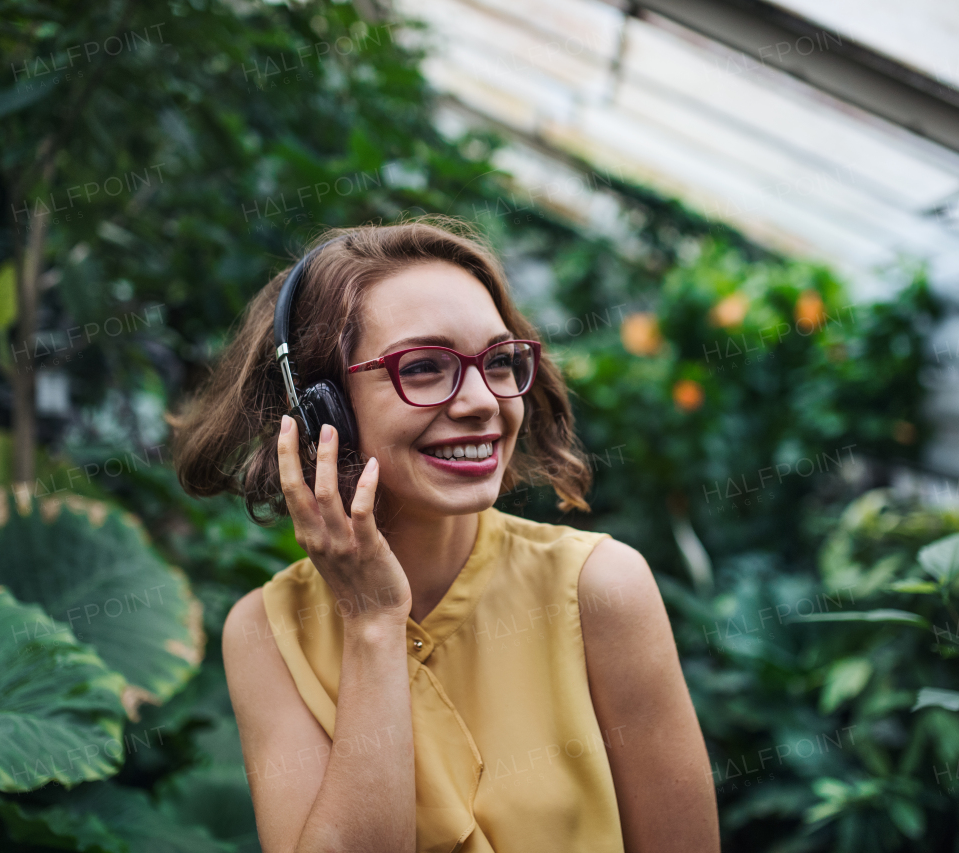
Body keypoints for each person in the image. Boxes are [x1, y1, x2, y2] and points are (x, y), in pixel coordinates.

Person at [172, 217, 719, 852]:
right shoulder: (267, 630)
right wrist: (373, 624)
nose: (483, 399)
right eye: (425, 367)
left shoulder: (599, 588)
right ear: (322, 404)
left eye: (498, 360)